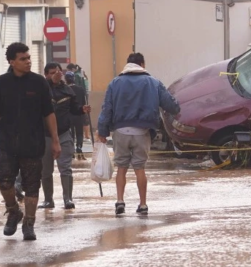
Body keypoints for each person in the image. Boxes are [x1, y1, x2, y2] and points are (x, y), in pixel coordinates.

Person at [0, 43, 58, 241]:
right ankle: (13, 211)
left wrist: (56, 141)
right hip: (7, 143)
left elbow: (49, 113)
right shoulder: (2, 83)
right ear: (12, 62)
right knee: (3, 179)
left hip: (33, 143)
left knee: (32, 185)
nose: (28, 61)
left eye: (28, 58)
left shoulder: (39, 83)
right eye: (23, 59)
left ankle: (29, 224)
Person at [96, 52, 180, 215]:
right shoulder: (153, 82)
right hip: (143, 131)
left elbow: (106, 109)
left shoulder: (115, 83)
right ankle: (143, 205)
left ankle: (120, 201)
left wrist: (103, 131)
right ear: (142, 64)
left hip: (120, 131)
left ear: (127, 65)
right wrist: (177, 109)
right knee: (139, 168)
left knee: (121, 167)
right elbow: (171, 105)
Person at [40, 62, 90, 210]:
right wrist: (51, 83)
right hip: (45, 136)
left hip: (64, 134)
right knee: (46, 170)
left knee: (66, 168)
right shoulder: (42, 89)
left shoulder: (68, 91)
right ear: (46, 75)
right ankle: (48, 200)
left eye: (57, 71)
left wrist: (82, 109)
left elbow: (74, 109)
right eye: (51, 72)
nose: (55, 74)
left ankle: (68, 199)